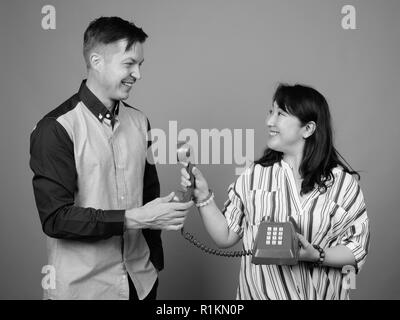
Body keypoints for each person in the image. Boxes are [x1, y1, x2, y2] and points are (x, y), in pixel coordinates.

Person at [30, 16, 193, 300]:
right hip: (85, 291)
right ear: (96, 61)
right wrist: (135, 218)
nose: (137, 74)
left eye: (140, 65)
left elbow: (149, 195)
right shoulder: (56, 128)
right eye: (129, 64)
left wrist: (154, 258)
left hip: (140, 284)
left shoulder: (140, 121)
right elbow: (56, 219)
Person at [181, 84, 370, 300]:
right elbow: (225, 235)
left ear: (308, 129)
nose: (269, 121)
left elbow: (357, 248)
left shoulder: (342, 184)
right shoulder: (253, 175)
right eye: (271, 112)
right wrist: (203, 196)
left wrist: (316, 255)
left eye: (280, 114)